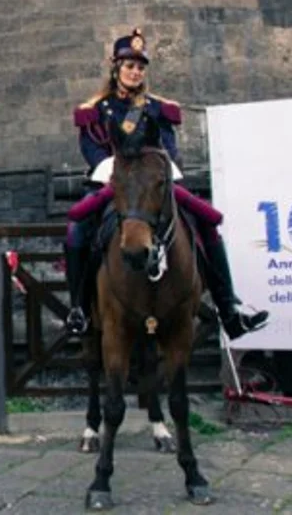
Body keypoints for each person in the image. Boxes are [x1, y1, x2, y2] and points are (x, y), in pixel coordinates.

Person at [64, 27, 269, 340]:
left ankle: (228, 309)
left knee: (204, 226)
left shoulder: (158, 108)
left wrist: (160, 171)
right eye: (130, 66)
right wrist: (112, 172)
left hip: (155, 183)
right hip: (113, 184)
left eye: (140, 67)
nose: (135, 72)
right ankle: (78, 308)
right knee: (76, 231)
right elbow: (91, 148)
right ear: (116, 68)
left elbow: (169, 147)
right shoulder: (96, 110)